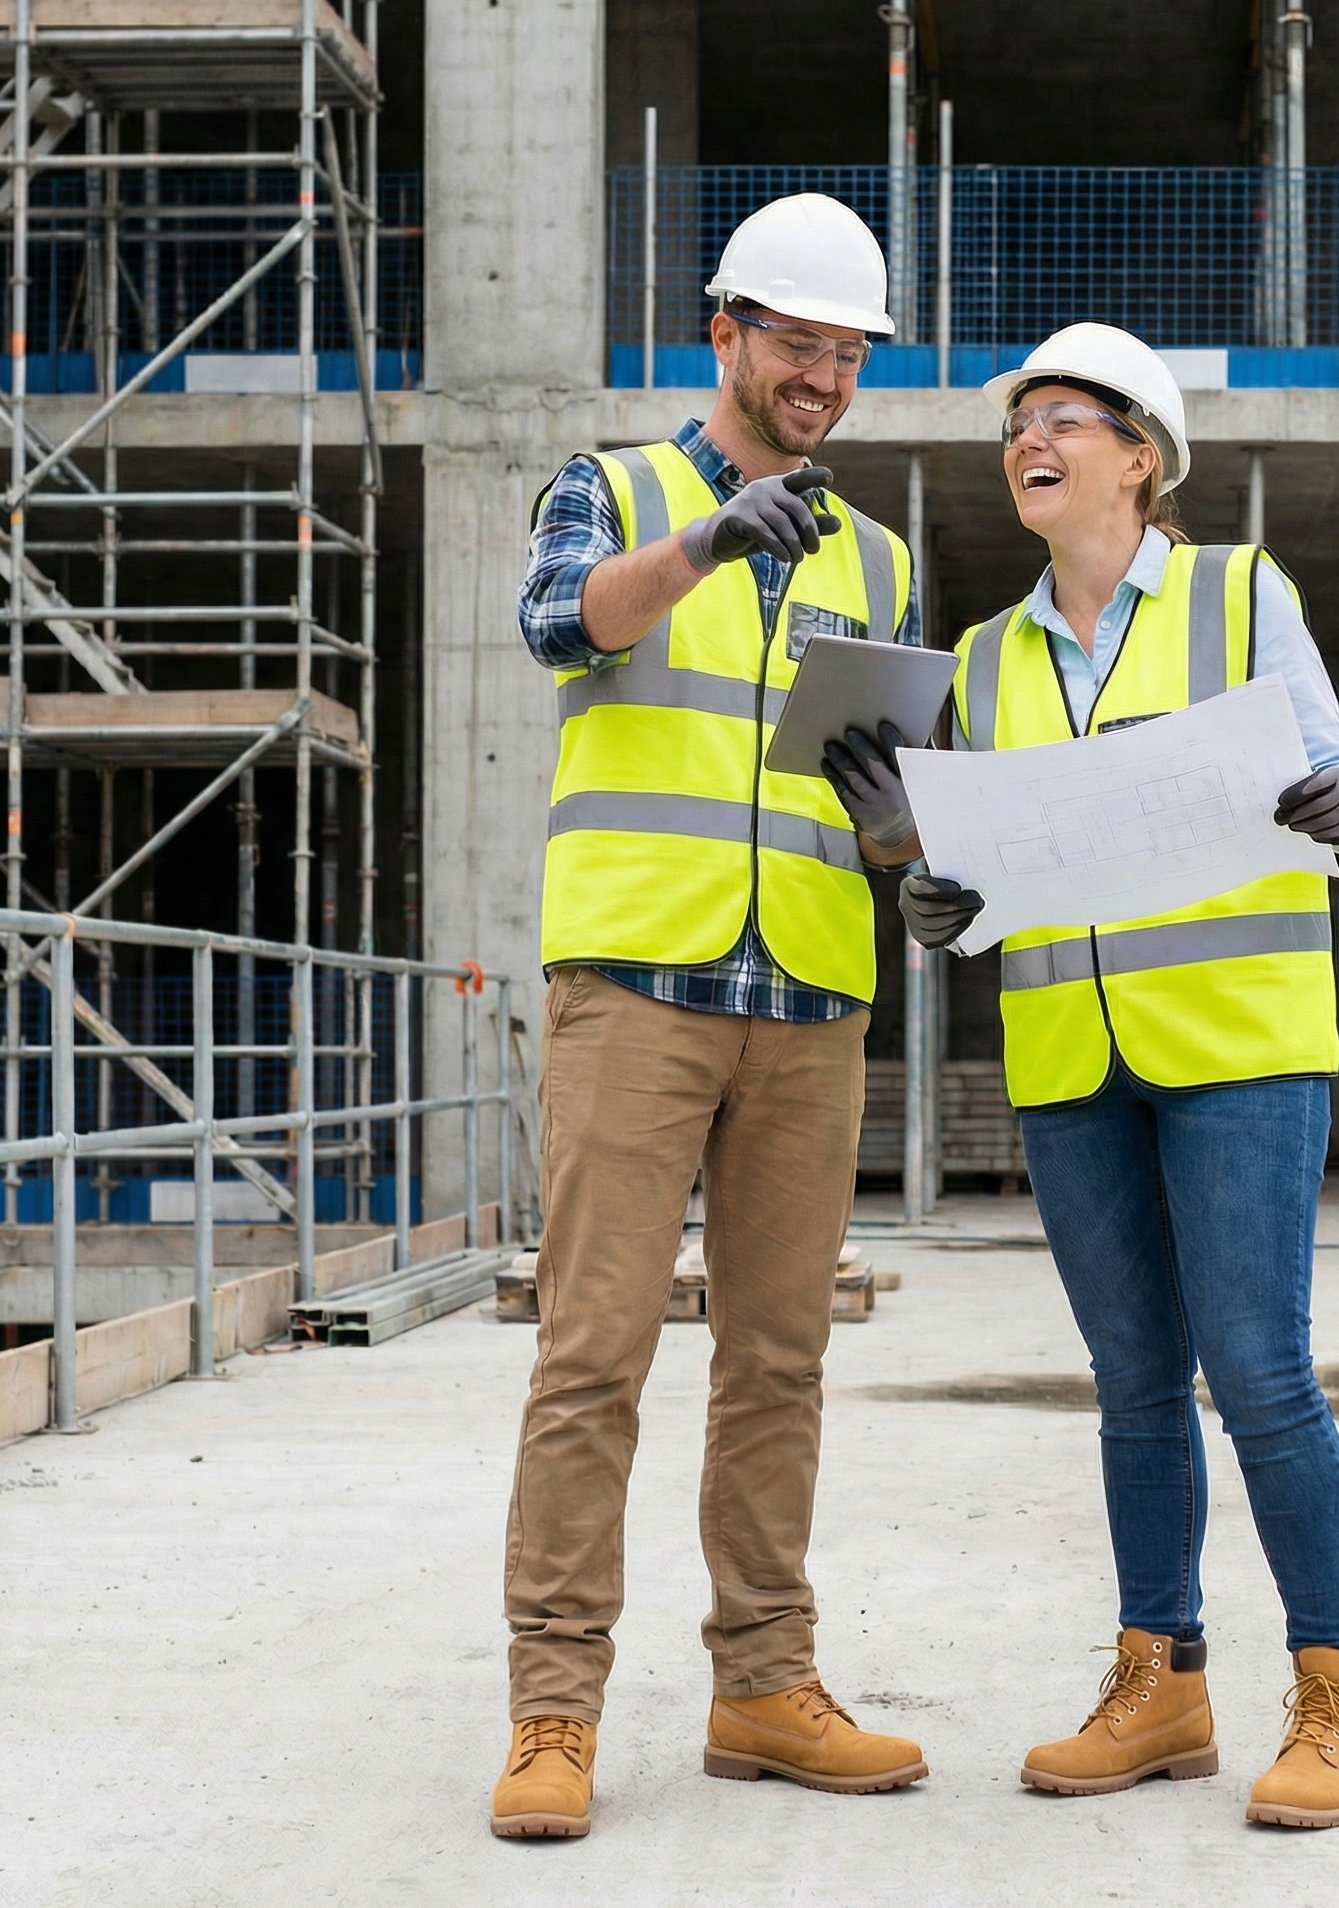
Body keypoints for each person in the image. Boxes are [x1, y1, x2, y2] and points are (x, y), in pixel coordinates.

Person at [876, 323, 1339, 1830]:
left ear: (1142, 456)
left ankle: (1337, 1694)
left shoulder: (1239, 594)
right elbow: (979, 865)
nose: (1028, 441)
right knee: (1131, 1387)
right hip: (1070, 1062)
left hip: (1238, 1047)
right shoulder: (982, 654)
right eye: (1014, 425)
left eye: (1061, 419)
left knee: (1261, 1373)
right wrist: (933, 899)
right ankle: (1161, 1680)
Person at [495, 194, 929, 1840]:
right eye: (795, 340)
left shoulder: (877, 555)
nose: (821, 373)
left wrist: (922, 863)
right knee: (589, 1355)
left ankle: (763, 1683)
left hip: (810, 994)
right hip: (638, 985)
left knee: (779, 1363)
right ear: (725, 333)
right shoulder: (616, 489)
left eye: (846, 350)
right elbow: (559, 624)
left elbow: (872, 788)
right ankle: (553, 1709)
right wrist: (707, 543)